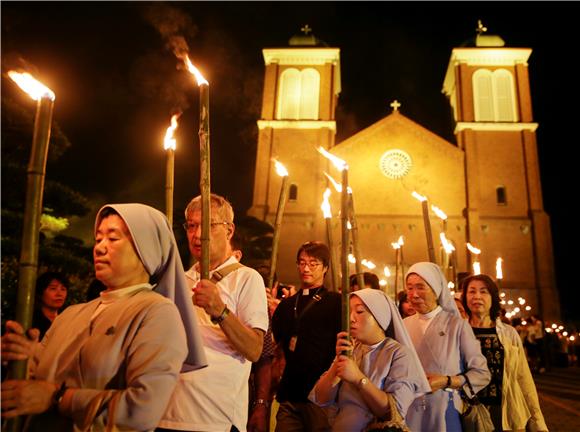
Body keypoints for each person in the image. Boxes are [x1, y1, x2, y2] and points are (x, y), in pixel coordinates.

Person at [1, 203, 207, 430]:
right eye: (98, 239)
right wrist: (21, 357)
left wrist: (58, 398)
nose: (99, 248)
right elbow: (33, 386)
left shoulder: (156, 312)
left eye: (113, 238)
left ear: (146, 248)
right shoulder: (71, 314)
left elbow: (141, 409)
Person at [159, 194, 269, 432]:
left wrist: (220, 311)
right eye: (191, 225)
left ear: (229, 231)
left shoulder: (247, 279)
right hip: (166, 414)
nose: (197, 235)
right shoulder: (179, 280)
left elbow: (255, 349)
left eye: (208, 225)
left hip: (215, 419)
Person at [309, 289, 431, 431]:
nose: (351, 318)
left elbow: (393, 412)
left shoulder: (398, 354)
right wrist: (336, 365)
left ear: (379, 316)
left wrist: (359, 379)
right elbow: (321, 399)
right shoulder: (351, 349)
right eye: (350, 312)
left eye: (359, 312)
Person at [403, 262, 491, 431]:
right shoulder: (403, 326)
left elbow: (481, 373)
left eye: (420, 287)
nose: (414, 294)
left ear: (436, 290)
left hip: (444, 412)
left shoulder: (457, 326)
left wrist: (448, 381)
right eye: (409, 288)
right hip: (409, 411)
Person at [461, 274, 548, 432]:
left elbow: (523, 377)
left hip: (505, 409)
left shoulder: (508, 334)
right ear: (465, 297)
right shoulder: (459, 332)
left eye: (483, 291)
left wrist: (537, 419)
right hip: (469, 411)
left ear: (493, 298)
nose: (477, 296)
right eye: (471, 291)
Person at [271, 241, 341, 431]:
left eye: (313, 263)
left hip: (320, 396)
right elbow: (273, 342)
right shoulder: (287, 305)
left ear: (325, 267)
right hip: (289, 393)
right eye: (301, 263)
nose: (306, 268)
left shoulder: (335, 302)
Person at [32, 271, 69, 340]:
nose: (59, 294)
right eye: (53, 289)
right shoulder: (32, 321)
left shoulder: (67, 319)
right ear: (41, 292)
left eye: (63, 289)